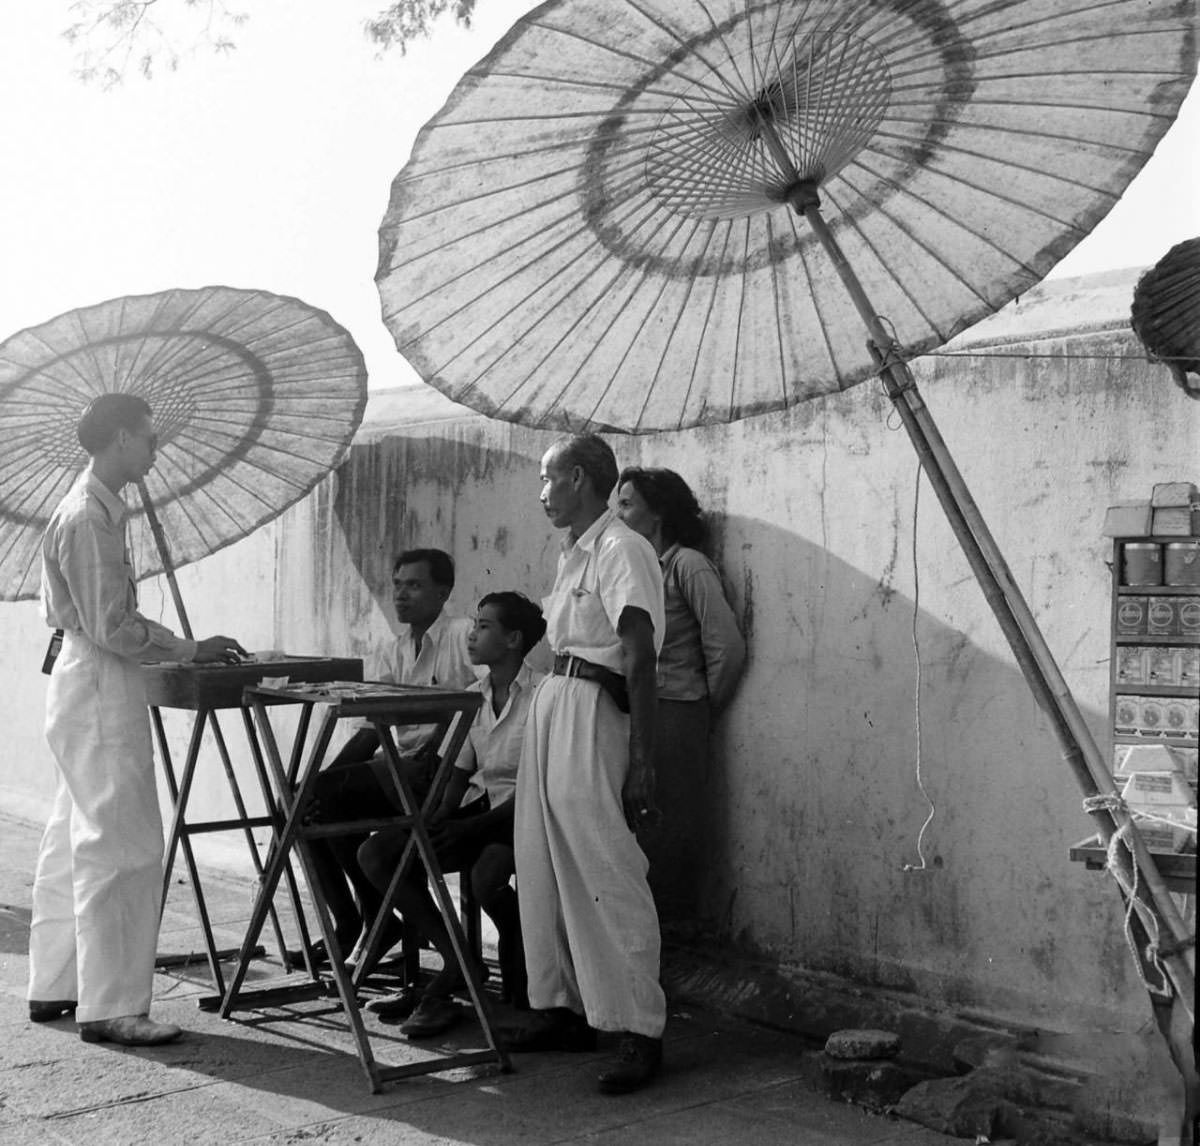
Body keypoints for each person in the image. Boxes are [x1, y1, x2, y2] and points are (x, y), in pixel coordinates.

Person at [29, 393, 246, 1047]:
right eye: (148, 438)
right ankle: (112, 1005)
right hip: (98, 682)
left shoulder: (96, 509)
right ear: (121, 438)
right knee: (121, 844)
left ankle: (60, 983)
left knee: (75, 836)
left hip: (86, 681)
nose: (155, 449)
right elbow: (112, 627)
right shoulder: (89, 516)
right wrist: (186, 646)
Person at [508, 433, 667, 1095]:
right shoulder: (572, 554)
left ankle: (640, 1030)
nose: (543, 493)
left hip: (593, 712)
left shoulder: (620, 548)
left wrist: (643, 758)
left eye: (549, 479)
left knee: (606, 866)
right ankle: (566, 1007)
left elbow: (638, 654)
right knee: (543, 861)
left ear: (578, 477)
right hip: (553, 703)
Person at [358, 591, 546, 1036]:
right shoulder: (473, 697)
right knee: (379, 854)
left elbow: (537, 791)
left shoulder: (544, 696)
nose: (472, 635)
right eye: (475, 624)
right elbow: (457, 774)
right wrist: (435, 821)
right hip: (478, 813)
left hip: (525, 820)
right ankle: (457, 959)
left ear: (515, 639)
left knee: (487, 875)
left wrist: (468, 827)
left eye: (484, 627)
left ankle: (519, 967)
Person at [297, 548, 476, 970]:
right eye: (397, 585)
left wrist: (440, 752)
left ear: (443, 591)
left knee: (325, 798)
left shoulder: (462, 634)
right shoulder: (393, 651)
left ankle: (376, 924)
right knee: (305, 802)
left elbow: (480, 705)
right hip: (400, 772)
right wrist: (317, 780)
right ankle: (354, 921)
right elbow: (367, 731)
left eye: (414, 585)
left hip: (448, 774)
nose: (401, 595)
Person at [615, 467, 746, 924]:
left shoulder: (687, 564)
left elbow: (725, 647)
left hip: (675, 713)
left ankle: (674, 938)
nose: (618, 514)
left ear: (659, 512)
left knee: (668, 827)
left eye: (627, 504)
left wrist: (700, 707)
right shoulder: (634, 568)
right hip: (634, 711)